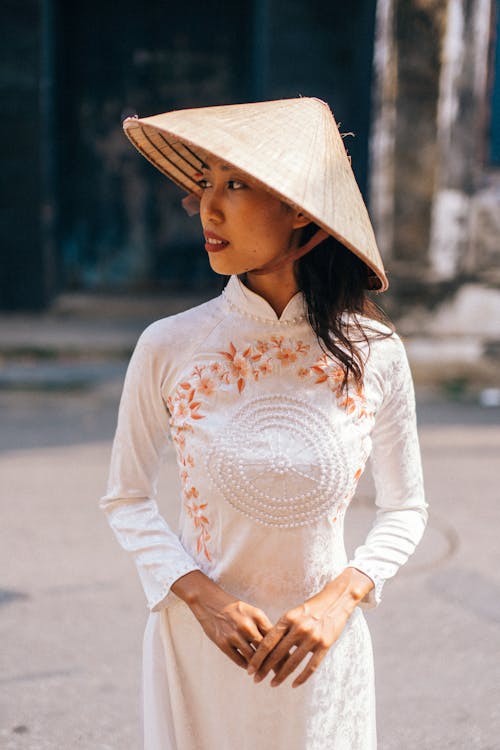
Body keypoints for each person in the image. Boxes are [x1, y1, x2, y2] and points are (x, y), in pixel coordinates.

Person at [99, 97, 428, 750]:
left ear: (300, 209)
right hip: (200, 653)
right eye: (206, 185)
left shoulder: (375, 355)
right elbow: (127, 499)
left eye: (237, 184)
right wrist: (202, 599)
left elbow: (405, 508)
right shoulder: (170, 345)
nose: (207, 208)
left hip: (322, 654)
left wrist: (340, 600)